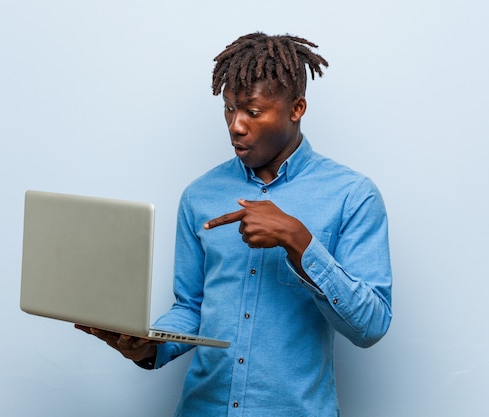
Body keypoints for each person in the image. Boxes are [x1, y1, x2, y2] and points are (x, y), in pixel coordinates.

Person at [76, 32, 392, 416]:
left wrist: (299, 241)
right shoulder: (200, 195)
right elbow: (191, 307)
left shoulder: (352, 195)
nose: (236, 126)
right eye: (229, 109)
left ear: (296, 108)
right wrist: (148, 347)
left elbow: (372, 325)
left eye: (253, 112)